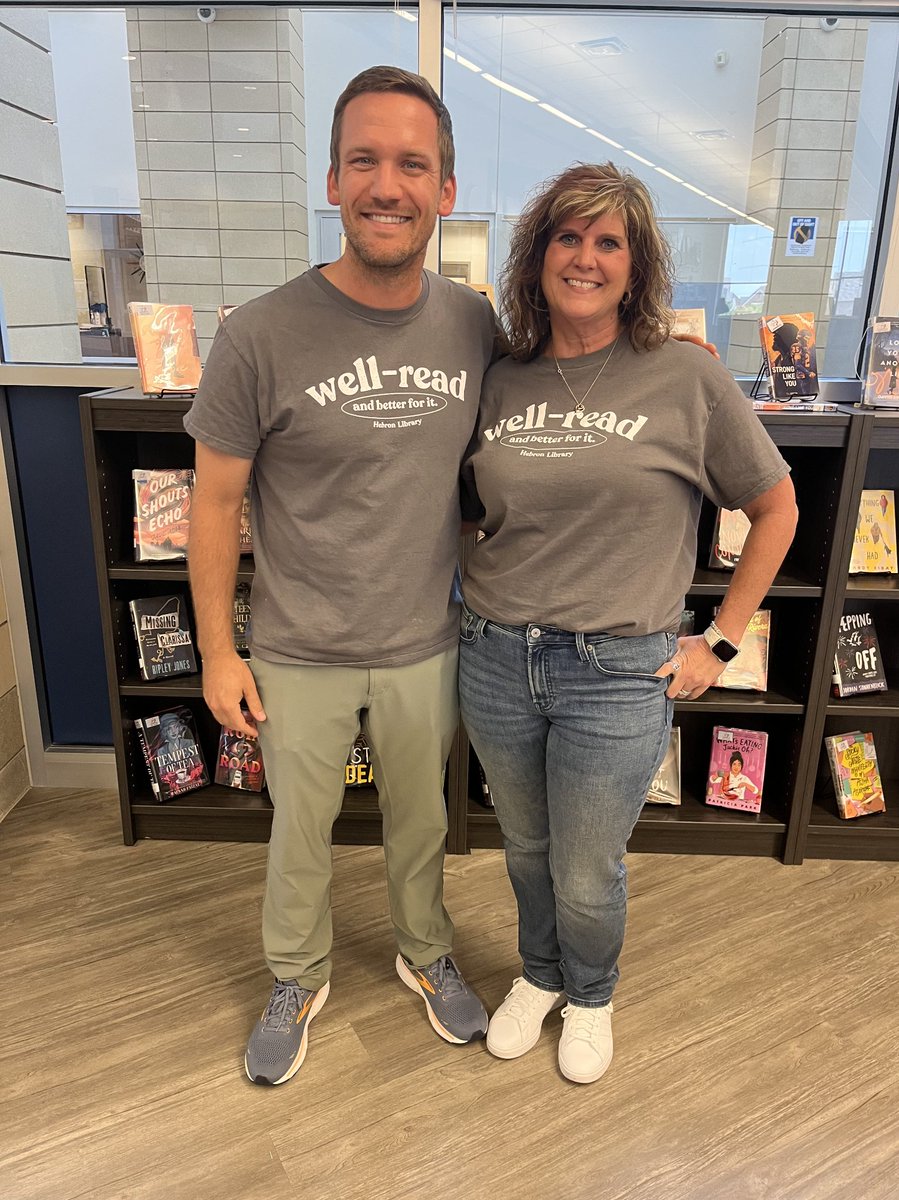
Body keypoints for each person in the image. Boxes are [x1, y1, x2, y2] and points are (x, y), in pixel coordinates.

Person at [184, 66, 499, 1086]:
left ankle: (424, 954)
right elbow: (215, 507)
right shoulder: (258, 336)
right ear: (332, 179)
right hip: (297, 648)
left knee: (423, 824)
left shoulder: (475, 328)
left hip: (426, 641)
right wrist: (220, 652)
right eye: (365, 159)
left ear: (445, 191)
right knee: (298, 837)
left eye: (413, 164)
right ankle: (296, 977)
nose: (387, 184)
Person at [458, 162, 798, 1085]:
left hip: (616, 670)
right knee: (525, 847)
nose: (586, 257)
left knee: (585, 863)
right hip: (495, 657)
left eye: (609, 242)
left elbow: (777, 508)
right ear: (537, 259)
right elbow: (466, 512)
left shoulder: (684, 377)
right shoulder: (502, 381)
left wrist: (720, 639)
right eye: (568, 237)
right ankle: (539, 975)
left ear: (637, 266)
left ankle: (593, 993)